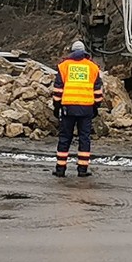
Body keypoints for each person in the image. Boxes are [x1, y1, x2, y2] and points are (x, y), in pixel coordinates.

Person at [51, 40, 103, 177]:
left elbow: (58, 90)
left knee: (64, 138)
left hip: (68, 107)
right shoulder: (93, 67)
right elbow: (98, 91)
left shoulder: (64, 66)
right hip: (86, 108)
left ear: (72, 52)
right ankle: (82, 170)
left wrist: (57, 107)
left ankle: (60, 169)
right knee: (84, 138)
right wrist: (96, 106)